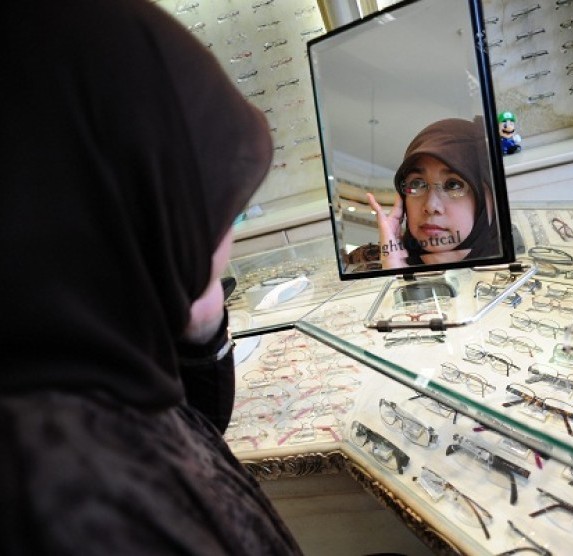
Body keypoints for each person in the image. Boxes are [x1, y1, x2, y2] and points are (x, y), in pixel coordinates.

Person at [0, 1, 301, 554]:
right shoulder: (67, 496)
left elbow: (193, 430)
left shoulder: (86, 364)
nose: (225, 238)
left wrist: (202, 316)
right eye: (217, 213)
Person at [366, 117, 500, 269]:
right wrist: (394, 270)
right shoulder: (367, 263)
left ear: (485, 196)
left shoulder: (522, 264)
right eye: (416, 183)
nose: (430, 206)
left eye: (453, 185)